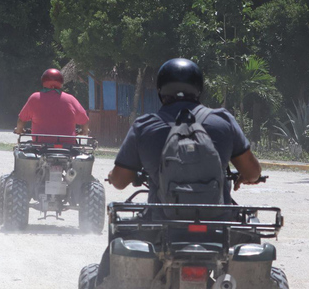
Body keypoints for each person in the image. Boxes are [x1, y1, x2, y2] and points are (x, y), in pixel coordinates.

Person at [107, 58, 262, 199]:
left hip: (161, 221)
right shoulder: (223, 121)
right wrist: (246, 176)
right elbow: (253, 173)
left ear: (160, 91)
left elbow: (120, 182)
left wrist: (112, 176)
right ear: (199, 89)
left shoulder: (144, 126)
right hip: (216, 221)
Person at [14, 69, 89, 141]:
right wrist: (84, 131)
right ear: (61, 82)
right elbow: (84, 120)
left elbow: (22, 119)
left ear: (44, 81)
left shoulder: (35, 98)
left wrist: (19, 129)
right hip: (67, 145)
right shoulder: (70, 99)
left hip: (40, 144)